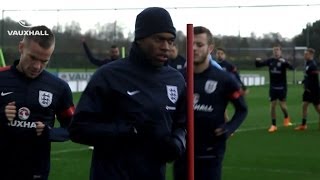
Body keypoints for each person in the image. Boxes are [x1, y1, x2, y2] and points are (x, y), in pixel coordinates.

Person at [69, 7, 186, 180]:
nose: (166, 47)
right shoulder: (108, 75)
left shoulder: (175, 79)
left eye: (170, 41)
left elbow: (183, 124)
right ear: (140, 38)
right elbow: (78, 129)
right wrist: (128, 131)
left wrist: (178, 142)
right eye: (159, 39)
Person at [0, 25, 75, 180]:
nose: (37, 66)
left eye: (44, 61)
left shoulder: (59, 87)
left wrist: (50, 132)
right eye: (33, 57)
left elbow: (74, 127)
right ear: (21, 47)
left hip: (36, 171)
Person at [174, 26, 248, 180]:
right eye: (190, 44)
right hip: (183, 152)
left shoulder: (224, 79)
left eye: (199, 45)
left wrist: (229, 128)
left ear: (210, 48)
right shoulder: (178, 78)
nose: (194, 49)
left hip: (211, 153)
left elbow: (242, 109)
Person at [255, 45, 294, 132]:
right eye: (274, 50)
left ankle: (286, 117)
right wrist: (257, 61)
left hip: (282, 87)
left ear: (280, 52)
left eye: (277, 50)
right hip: (273, 87)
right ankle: (273, 125)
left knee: (282, 106)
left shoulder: (283, 61)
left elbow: (292, 68)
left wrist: (286, 63)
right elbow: (259, 65)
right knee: (272, 106)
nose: (276, 52)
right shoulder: (270, 61)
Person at [295, 48, 320, 130]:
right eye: (304, 54)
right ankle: (304, 125)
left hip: (313, 90)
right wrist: (303, 82)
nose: (304, 55)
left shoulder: (313, 65)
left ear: (311, 55)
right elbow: (307, 77)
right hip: (307, 90)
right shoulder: (307, 63)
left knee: (317, 107)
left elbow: (314, 79)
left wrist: (310, 87)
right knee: (304, 105)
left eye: (306, 54)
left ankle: (303, 124)